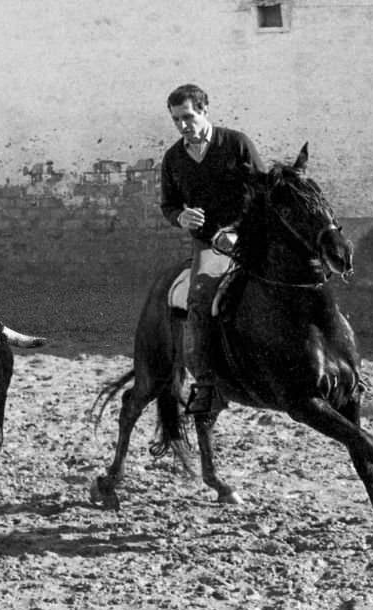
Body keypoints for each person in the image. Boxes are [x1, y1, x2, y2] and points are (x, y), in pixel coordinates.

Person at [160, 83, 264, 417]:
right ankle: (206, 385)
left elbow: (263, 191)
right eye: (176, 120)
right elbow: (169, 205)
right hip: (208, 245)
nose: (182, 125)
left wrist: (239, 231)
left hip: (250, 236)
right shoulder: (174, 158)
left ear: (205, 111)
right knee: (200, 295)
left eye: (188, 116)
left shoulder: (236, 144)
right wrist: (181, 217)